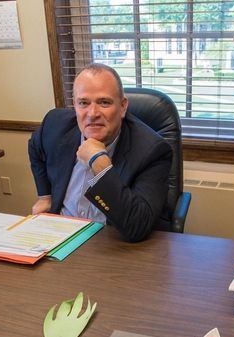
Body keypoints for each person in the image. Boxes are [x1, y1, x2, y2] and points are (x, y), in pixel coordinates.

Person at [28, 63, 172, 242]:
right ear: (74, 105)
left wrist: (100, 165)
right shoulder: (54, 124)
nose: (92, 113)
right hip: (61, 235)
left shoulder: (152, 151)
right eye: (83, 103)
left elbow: (137, 227)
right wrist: (45, 196)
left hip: (113, 242)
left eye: (104, 102)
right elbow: (34, 147)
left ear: (123, 106)